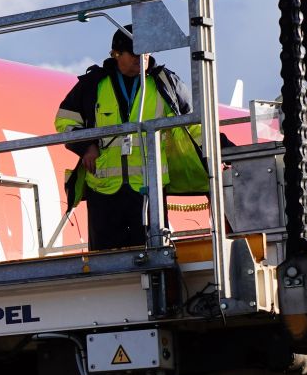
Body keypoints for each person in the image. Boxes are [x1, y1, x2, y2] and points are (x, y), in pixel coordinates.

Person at [54, 27, 208, 250]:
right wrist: (86, 146)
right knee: (106, 263)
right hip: (104, 190)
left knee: (152, 258)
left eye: (146, 53)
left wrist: (220, 152)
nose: (142, 58)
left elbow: (194, 125)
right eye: (135, 53)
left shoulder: (166, 83)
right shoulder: (92, 84)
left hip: (148, 189)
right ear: (116, 54)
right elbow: (64, 121)